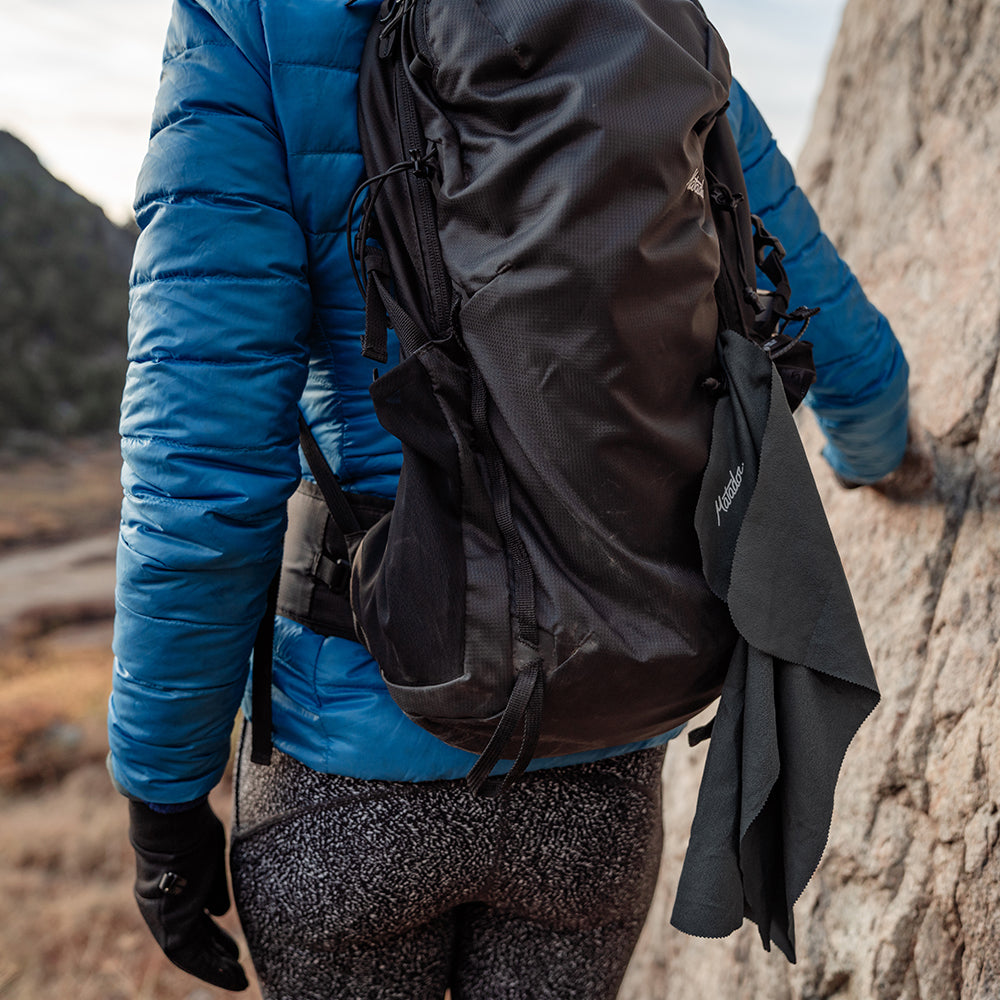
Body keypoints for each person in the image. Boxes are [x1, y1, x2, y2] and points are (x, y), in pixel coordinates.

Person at [108, 2, 911, 997]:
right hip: (601, 752)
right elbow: (821, 308)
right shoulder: (639, 17)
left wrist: (165, 790)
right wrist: (879, 453)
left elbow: (200, 458)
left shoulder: (252, 21)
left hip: (352, 753)